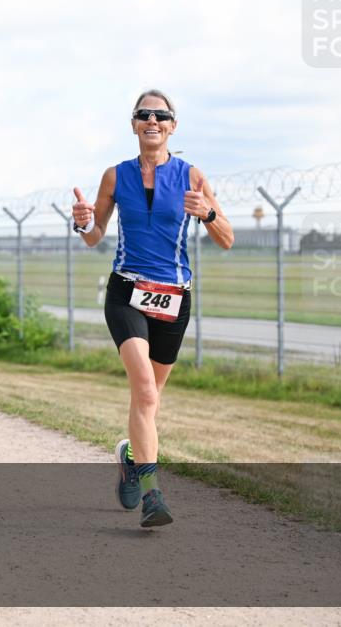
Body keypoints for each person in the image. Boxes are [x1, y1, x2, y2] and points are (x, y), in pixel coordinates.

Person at [72, 89, 234, 528]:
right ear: (133, 124)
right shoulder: (115, 176)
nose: (152, 120)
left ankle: (129, 455)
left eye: (160, 115)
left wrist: (208, 214)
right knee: (144, 390)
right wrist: (83, 220)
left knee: (150, 401)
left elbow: (227, 239)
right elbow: (93, 236)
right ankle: (152, 495)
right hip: (127, 291)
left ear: (172, 126)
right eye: (144, 114)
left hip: (174, 297)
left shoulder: (192, 175)